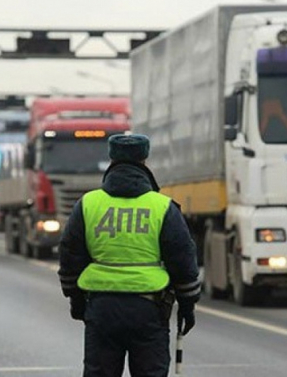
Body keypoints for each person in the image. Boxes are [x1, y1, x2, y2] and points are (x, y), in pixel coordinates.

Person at [58, 134, 200, 377]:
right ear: (144, 160)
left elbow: (70, 255)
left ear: (112, 158)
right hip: (149, 310)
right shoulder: (162, 207)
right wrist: (187, 305)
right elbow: (182, 260)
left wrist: (76, 300)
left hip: (101, 308)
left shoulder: (88, 204)